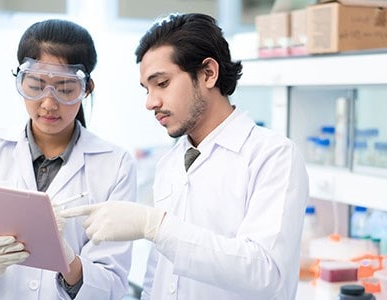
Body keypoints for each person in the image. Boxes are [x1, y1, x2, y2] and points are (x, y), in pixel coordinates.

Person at [62, 13, 309, 299]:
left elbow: (267, 273)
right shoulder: (171, 162)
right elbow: (158, 275)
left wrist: (155, 226)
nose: (150, 102)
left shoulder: (272, 155)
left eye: (162, 83)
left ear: (208, 73)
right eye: (147, 89)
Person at [0, 19, 136, 299]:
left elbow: (113, 282)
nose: (49, 103)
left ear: (87, 89)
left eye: (65, 89)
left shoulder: (116, 165)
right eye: (36, 85)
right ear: (19, 80)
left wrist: (70, 264)